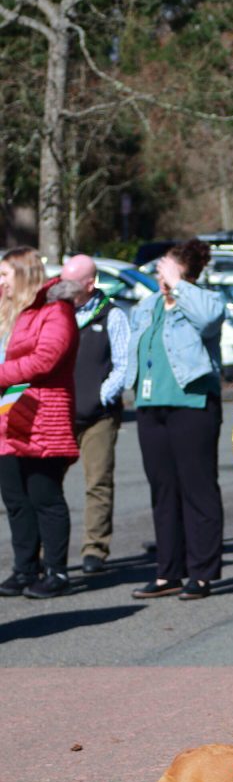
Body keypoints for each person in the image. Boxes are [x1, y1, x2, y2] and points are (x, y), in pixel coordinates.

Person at [125, 238, 225, 601]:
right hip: (151, 406)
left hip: (192, 404)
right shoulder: (147, 306)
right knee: (162, 489)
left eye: (165, 265)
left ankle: (201, 573)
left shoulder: (203, 301)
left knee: (197, 489)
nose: (158, 271)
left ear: (184, 270)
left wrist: (180, 286)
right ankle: (168, 571)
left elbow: (210, 320)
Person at [0, 248, 79, 599]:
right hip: (9, 414)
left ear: (24, 274)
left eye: (5, 274)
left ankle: (57, 571)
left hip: (43, 415)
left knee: (44, 496)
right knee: (16, 499)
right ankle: (24, 568)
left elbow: (45, 359)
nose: (0, 282)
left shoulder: (55, 311)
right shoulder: (8, 311)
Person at [60, 255, 129, 574]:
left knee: (98, 482)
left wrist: (100, 397)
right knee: (47, 486)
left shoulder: (112, 314)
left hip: (98, 416)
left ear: (90, 284)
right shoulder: (56, 312)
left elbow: (123, 364)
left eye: (71, 283)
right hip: (59, 413)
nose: (64, 287)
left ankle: (94, 548)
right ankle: (50, 552)